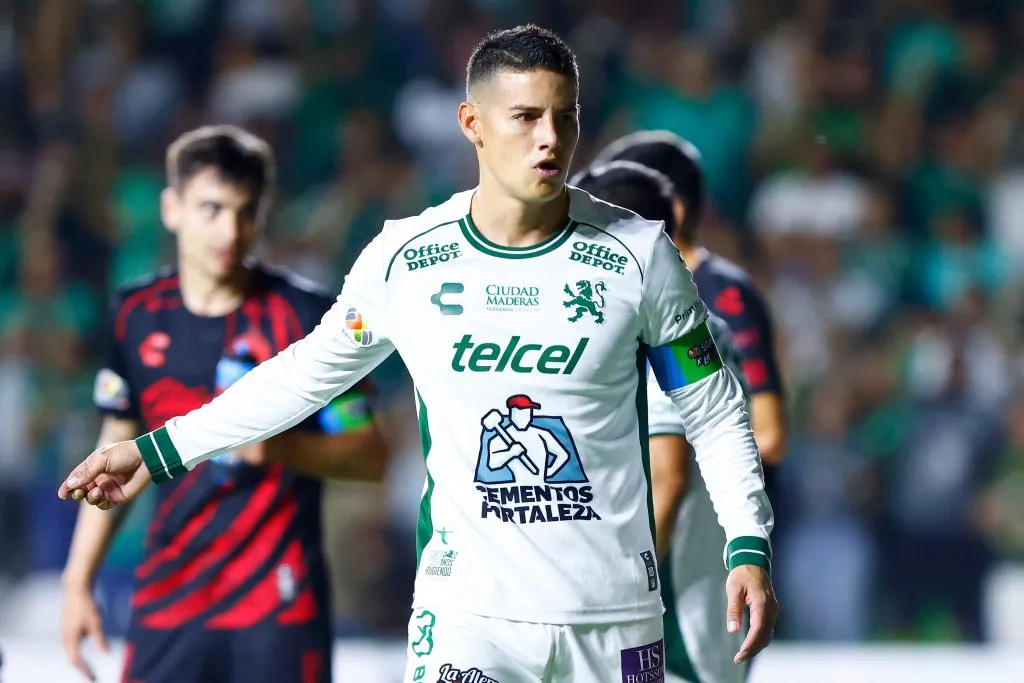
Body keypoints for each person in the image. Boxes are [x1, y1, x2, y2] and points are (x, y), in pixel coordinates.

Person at [58, 26, 778, 683]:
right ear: (472, 123)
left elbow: (713, 411)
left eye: (565, 116)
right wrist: (159, 450)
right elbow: (303, 376)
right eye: (525, 116)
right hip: (467, 616)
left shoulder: (640, 257)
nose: (549, 139)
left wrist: (747, 542)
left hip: (611, 620)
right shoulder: (408, 258)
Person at [60, 126, 389, 683]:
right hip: (170, 597)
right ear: (172, 209)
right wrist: (77, 584)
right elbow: (115, 444)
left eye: (246, 212)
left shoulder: (309, 318)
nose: (230, 231)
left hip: (279, 602)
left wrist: (277, 447)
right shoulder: (134, 314)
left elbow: (369, 455)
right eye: (211, 209)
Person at [570, 160, 758, 683]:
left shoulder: (660, 335)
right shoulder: (704, 329)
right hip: (695, 625)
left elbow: (667, 479)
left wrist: (613, 602)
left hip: (666, 634)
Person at [591, 132, 787, 470]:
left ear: (673, 210)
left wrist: (669, 461)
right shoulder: (623, 294)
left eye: (618, 204)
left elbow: (768, 434)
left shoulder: (724, 296)